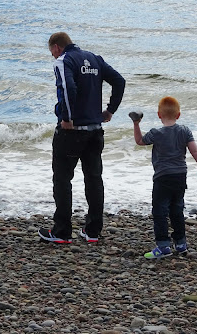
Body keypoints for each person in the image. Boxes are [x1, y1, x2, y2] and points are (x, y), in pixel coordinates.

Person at [39, 32, 125, 244]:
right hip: (95, 129)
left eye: (52, 52)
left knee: (62, 179)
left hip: (72, 130)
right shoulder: (95, 59)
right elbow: (119, 81)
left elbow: (68, 87)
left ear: (56, 47)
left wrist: (67, 118)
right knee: (94, 178)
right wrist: (110, 110)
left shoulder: (63, 60)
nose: (53, 56)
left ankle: (61, 231)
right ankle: (93, 231)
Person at [131, 96, 197, 259]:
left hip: (162, 177)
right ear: (178, 115)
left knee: (160, 211)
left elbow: (139, 141)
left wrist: (136, 124)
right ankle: (180, 244)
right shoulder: (185, 131)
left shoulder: (156, 133)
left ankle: (163, 246)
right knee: (177, 209)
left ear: (159, 115)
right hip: (180, 176)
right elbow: (195, 151)